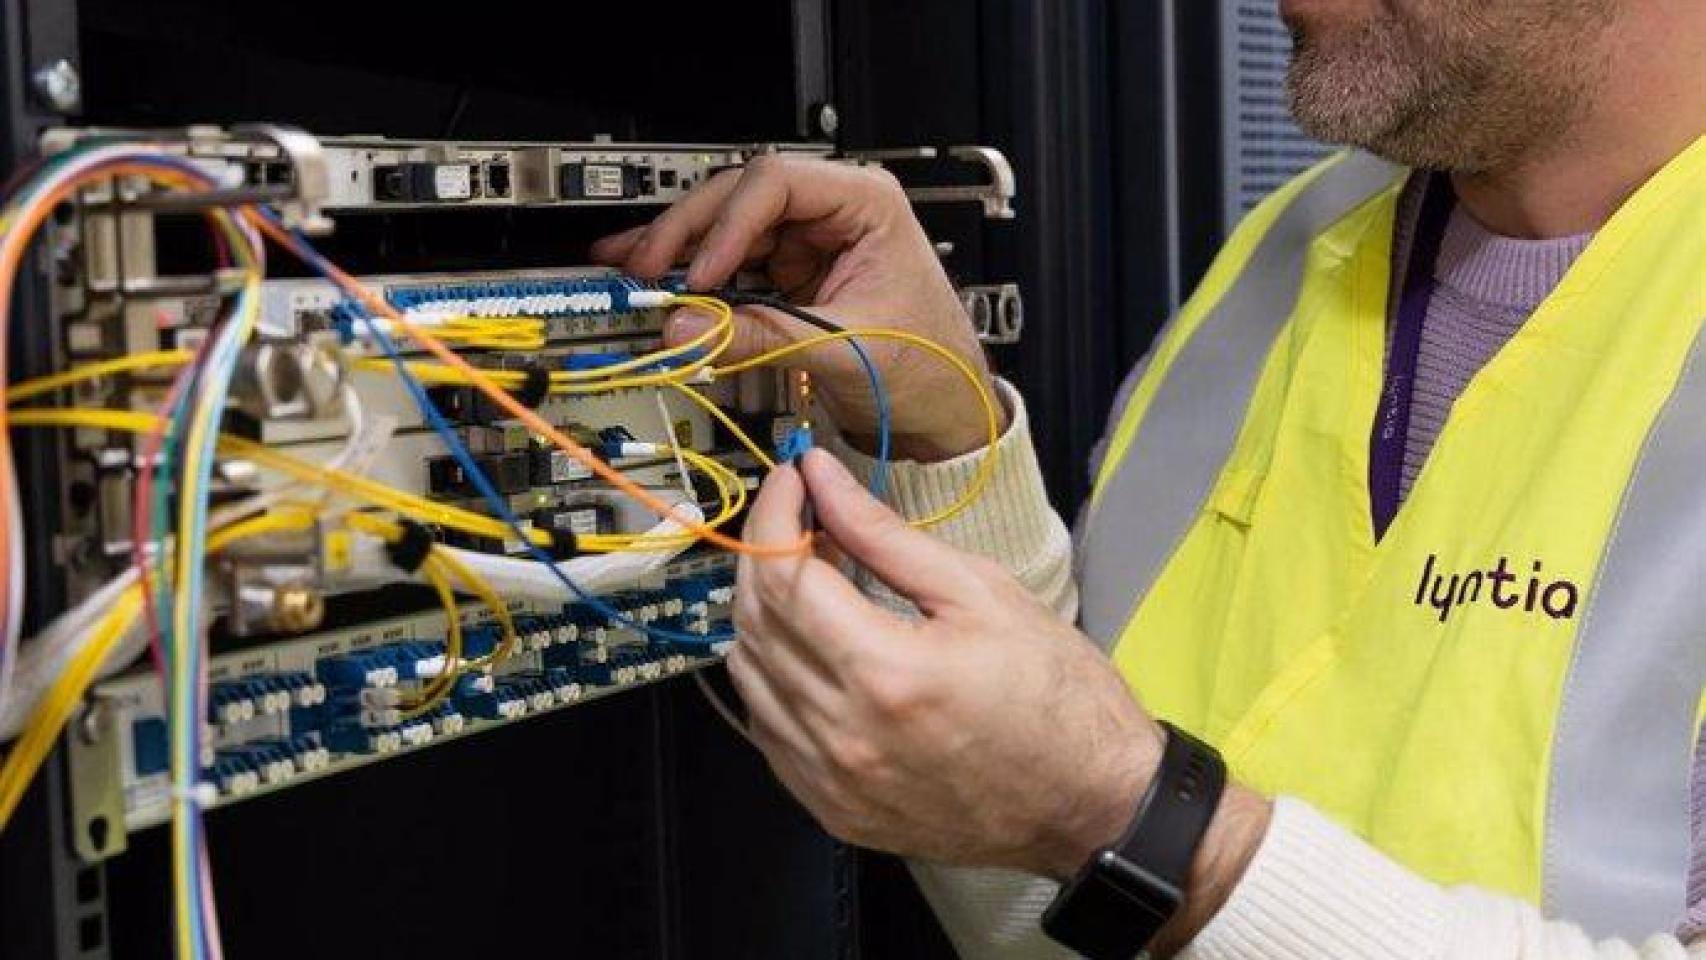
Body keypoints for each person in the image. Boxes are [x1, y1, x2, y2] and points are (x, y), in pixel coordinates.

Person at [593, 0, 1706, 955]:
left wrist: (1145, 822)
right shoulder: (1289, 248)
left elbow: (1117, 821)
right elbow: (1048, 905)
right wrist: (944, 437)